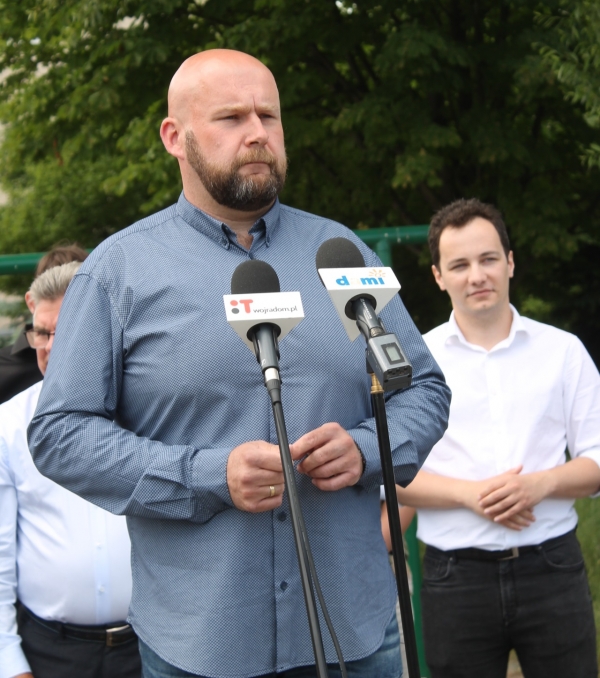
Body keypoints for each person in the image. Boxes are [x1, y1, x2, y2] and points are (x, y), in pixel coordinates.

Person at [28, 49, 451, 678]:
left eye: (268, 116)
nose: (257, 133)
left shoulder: (340, 251)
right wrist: (205, 475)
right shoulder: (117, 273)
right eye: (231, 117)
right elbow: (60, 433)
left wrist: (366, 450)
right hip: (201, 642)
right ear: (175, 137)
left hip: (355, 634)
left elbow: (424, 389)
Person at [393, 198, 600, 678]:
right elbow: (391, 473)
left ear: (509, 261)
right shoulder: (412, 362)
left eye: (488, 259)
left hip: (552, 566)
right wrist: (469, 495)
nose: (477, 275)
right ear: (438, 276)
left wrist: (540, 485)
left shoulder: (563, 351)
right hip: (454, 576)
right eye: (459, 265)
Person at [0, 262, 141, 678]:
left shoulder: (150, 413)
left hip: (150, 645)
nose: (47, 347)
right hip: (49, 653)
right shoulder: (8, 425)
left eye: (61, 332)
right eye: (41, 333)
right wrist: (9, 663)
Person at [0, 244, 88, 404]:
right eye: (42, 333)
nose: (50, 347)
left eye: (66, 332)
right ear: (32, 302)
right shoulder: (13, 411)